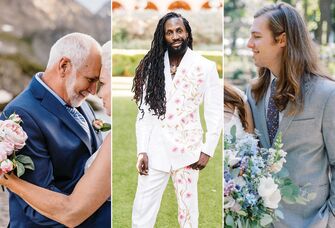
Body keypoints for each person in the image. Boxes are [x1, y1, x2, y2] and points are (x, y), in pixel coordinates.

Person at [0, 34, 111, 227]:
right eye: (90, 79)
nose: (93, 90)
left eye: (98, 82)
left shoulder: (79, 101)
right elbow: (38, 209)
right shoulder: (20, 115)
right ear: (64, 66)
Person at [245, 3, 335, 227]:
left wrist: (328, 220)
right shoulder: (253, 93)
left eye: (256, 36)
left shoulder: (327, 94)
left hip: (312, 221)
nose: (249, 44)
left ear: (282, 39)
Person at [131, 12, 222, 227]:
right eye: (169, 32)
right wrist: (141, 150)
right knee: (142, 208)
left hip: (188, 152)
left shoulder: (205, 67)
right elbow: (144, 112)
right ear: (163, 37)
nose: (175, 36)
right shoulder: (152, 67)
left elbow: (214, 112)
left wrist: (207, 149)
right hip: (154, 151)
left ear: (187, 33)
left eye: (179, 30)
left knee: (188, 214)